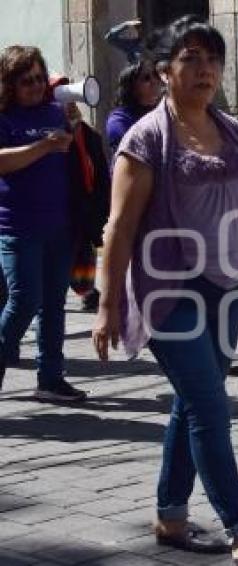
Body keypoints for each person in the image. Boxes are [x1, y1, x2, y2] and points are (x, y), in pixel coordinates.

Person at [92, 16, 238, 565]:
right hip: (168, 293)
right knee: (211, 406)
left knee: (193, 405)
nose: (205, 70)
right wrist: (107, 306)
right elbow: (119, 228)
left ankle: (171, 516)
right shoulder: (145, 139)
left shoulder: (236, 134)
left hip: (227, 289)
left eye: (212, 59)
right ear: (164, 71)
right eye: (191, 58)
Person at [0, 45, 84, 401]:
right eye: (26, 81)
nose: (35, 86)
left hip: (57, 225)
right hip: (17, 227)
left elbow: (75, 154)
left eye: (38, 78)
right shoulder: (4, 117)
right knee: (23, 301)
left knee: (53, 303)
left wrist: (75, 125)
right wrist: (44, 147)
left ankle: (50, 377)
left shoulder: (54, 111)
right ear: (10, 85)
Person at [64, 101, 111, 313]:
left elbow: (101, 173)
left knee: (83, 254)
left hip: (85, 208)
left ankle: (88, 292)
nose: (71, 107)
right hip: (63, 210)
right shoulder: (50, 134)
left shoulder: (90, 136)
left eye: (72, 103)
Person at [106, 58, 162, 159]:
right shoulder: (119, 120)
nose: (154, 81)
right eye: (146, 78)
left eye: (155, 75)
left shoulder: (160, 113)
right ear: (132, 87)